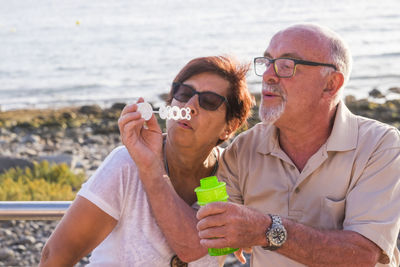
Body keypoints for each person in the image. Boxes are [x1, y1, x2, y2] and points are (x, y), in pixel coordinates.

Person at [195, 23, 400, 266]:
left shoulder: (379, 145)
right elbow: (202, 238)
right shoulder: (244, 148)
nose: (268, 75)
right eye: (268, 62)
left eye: (286, 66)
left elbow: (362, 254)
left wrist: (264, 229)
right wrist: (155, 163)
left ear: (331, 84)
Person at [38, 55, 253, 267]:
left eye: (209, 101)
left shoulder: (233, 176)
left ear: (230, 127)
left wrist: (248, 232)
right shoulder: (127, 164)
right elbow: (55, 256)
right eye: (184, 93)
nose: (189, 106)